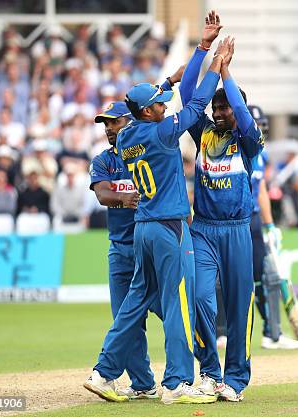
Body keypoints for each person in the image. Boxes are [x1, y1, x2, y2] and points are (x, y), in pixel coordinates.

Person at [83, 35, 231, 405]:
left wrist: (177, 74)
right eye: (159, 106)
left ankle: (102, 373)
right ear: (148, 112)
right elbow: (197, 104)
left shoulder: (128, 134)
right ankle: (177, 382)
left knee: (134, 304)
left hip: (144, 230)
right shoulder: (163, 132)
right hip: (169, 227)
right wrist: (215, 64)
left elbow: (147, 105)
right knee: (177, 304)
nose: (165, 108)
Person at [178, 11, 263, 402]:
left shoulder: (247, 140)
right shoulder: (203, 133)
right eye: (217, 107)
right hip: (204, 230)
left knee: (239, 305)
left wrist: (226, 74)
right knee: (200, 299)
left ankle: (236, 379)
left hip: (237, 231)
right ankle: (210, 372)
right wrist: (204, 48)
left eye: (225, 106)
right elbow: (186, 96)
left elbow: (245, 118)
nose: (220, 111)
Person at [89, 98, 170, 400]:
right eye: (106, 123)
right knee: (125, 316)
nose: (109, 128)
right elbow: (102, 194)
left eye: (115, 121)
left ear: (131, 121)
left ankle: (207, 366)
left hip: (147, 246)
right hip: (119, 248)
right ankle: (143, 383)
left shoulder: (147, 152)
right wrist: (126, 199)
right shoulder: (103, 160)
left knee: (171, 311)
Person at [215, 105, 298, 350]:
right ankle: (220, 331)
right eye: (258, 125)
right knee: (222, 278)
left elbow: (262, 190)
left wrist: (269, 225)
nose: (261, 130)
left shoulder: (260, 154)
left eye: (264, 125)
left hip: (254, 221)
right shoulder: (226, 148)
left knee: (267, 278)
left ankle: (272, 333)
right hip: (231, 220)